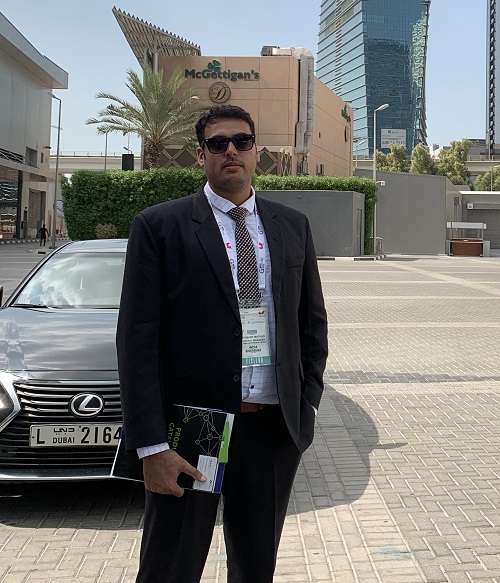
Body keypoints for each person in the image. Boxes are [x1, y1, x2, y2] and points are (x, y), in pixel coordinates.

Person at [117, 104, 328, 583]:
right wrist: (151, 444)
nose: (231, 150)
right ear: (201, 155)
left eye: (242, 141)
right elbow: (136, 340)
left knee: (255, 567)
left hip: (270, 428)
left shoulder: (292, 225)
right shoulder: (159, 226)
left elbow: (311, 324)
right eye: (218, 143)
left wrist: (307, 404)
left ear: (256, 152)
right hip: (195, 427)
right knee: (171, 565)